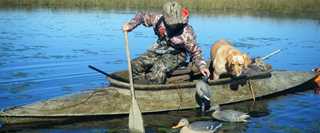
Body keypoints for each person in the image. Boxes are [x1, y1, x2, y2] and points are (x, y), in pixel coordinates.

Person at [122, 1, 210, 84]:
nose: (173, 26)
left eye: (176, 23)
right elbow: (141, 15)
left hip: (177, 54)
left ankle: (152, 88)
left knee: (159, 69)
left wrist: (202, 66)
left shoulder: (187, 33)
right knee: (135, 65)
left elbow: (196, 53)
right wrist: (131, 25)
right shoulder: (157, 18)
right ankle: (138, 84)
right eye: (170, 23)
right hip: (160, 48)